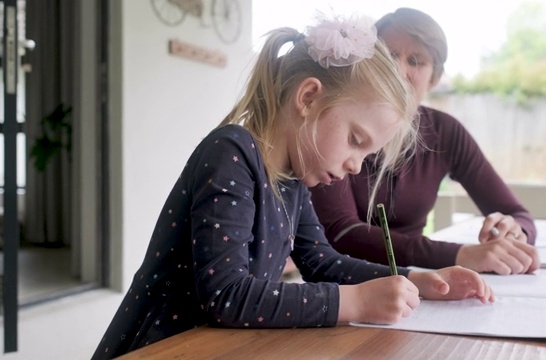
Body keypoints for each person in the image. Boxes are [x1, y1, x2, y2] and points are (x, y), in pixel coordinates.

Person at [92, 14, 494, 359]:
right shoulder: (231, 153)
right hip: (159, 347)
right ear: (308, 97)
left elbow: (321, 262)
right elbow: (226, 296)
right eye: (355, 140)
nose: (355, 167)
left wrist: (417, 278)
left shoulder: (292, 181)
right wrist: (355, 301)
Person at [310, 8, 540, 276]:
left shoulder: (445, 131)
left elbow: (516, 213)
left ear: (435, 78)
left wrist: (514, 232)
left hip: (424, 284)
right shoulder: (336, 122)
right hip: (344, 284)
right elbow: (342, 231)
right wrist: (459, 255)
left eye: (416, 61)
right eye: (389, 55)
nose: (398, 69)